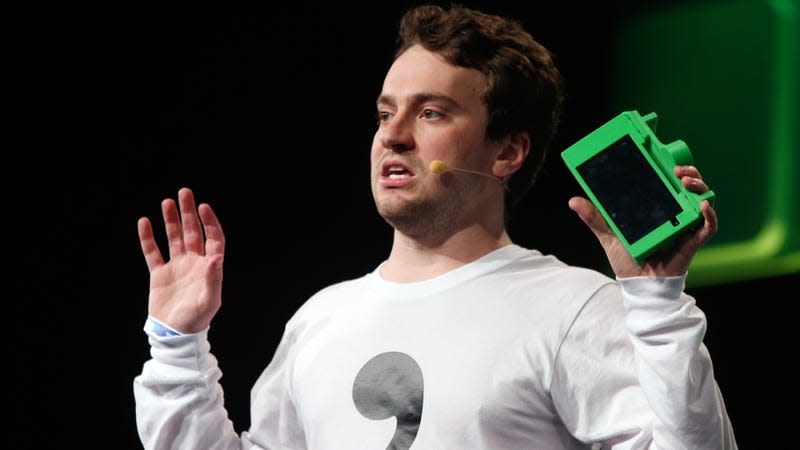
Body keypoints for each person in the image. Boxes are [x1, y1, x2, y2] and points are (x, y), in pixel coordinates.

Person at [133, 3, 738, 449]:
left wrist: (657, 304)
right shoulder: (321, 319)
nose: (392, 135)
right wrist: (177, 347)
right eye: (385, 113)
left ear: (507, 152)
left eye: (430, 112)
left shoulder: (575, 309)